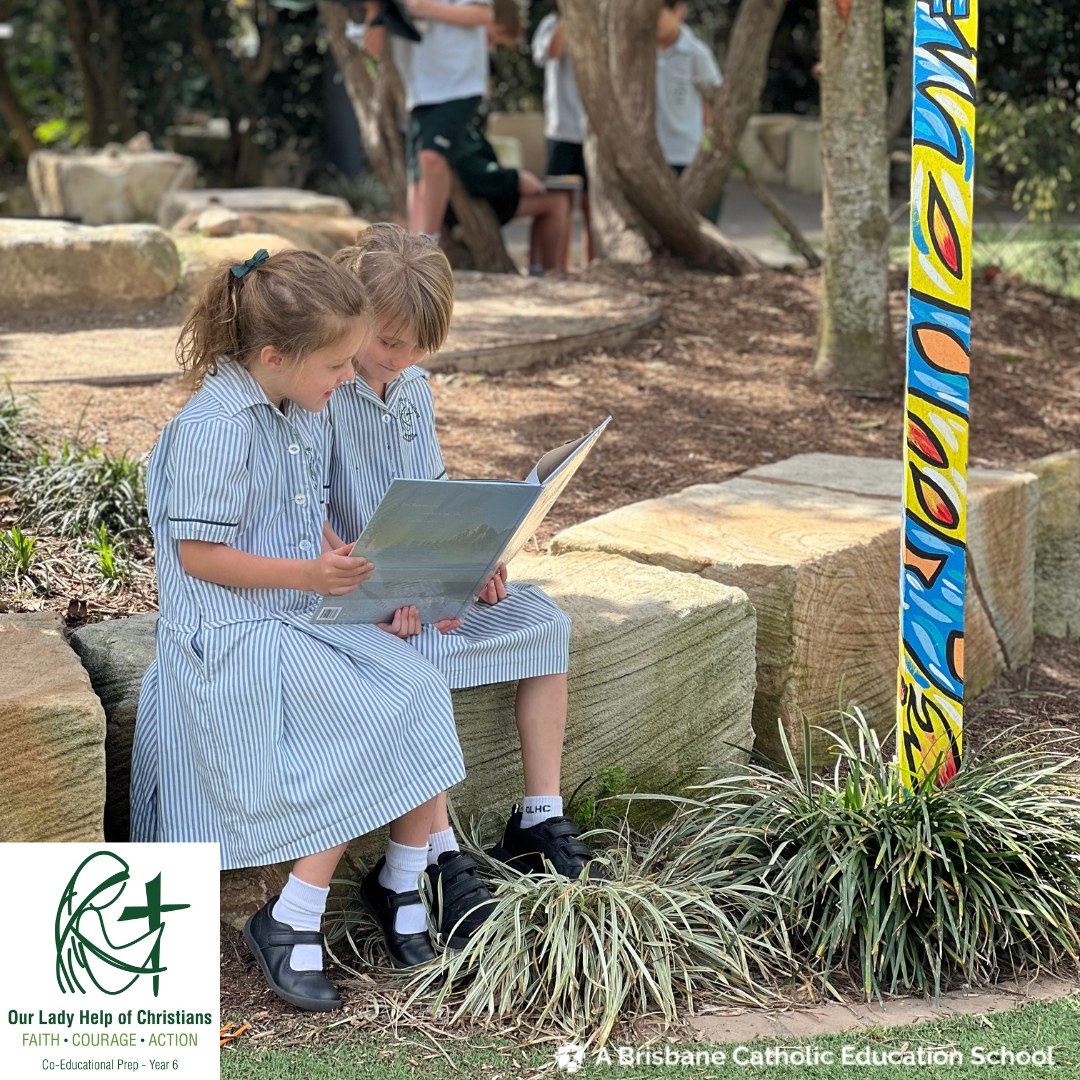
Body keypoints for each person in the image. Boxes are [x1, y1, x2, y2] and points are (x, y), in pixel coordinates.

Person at [128, 248, 492, 1013]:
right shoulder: (213, 428)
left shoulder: (295, 408)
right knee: (374, 705)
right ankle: (297, 917)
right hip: (229, 633)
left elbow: (301, 515)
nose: (345, 378)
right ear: (273, 356)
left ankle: (368, 886)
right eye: (335, 365)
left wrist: (345, 559)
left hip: (294, 615)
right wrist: (308, 577)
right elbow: (198, 557)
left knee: (417, 683)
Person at [327, 223, 599, 880]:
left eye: (419, 348)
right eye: (389, 342)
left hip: (426, 578)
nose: (401, 358)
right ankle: (438, 851)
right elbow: (305, 516)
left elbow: (436, 489)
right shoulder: (325, 391)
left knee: (546, 624)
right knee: (422, 649)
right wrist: (384, 589)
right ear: (354, 316)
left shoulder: (414, 389)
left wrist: (477, 558)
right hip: (360, 590)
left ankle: (539, 814)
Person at [363, 0, 495, 244]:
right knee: (416, 175)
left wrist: (427, 8)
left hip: (461, 84)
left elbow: (484, 14)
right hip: (419, 93)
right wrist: (375, 10)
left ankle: (428, 242)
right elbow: (373, 48)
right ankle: (415, 248)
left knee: (431, 158)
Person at [531, 1, 592, 268]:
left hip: (594, 134)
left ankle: (593, 264)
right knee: (560, 200)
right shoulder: (549, 24)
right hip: (562, 129)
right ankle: (559, 267)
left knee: (593, 204)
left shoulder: (599, 26)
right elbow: (552, 52)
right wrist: (569, 17)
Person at [656, 0, 724, 224]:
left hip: (689, 152)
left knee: (698, 224)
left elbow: (713, 101)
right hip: (655, 155)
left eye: (660, 14)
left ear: (679, 11)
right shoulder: (642, 52)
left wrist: (709, 148)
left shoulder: (696, 53)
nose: (654, 22)